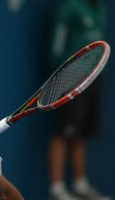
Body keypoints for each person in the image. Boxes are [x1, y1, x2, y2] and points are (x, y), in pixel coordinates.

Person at [47, 0, 111, 200]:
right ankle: (57, 188)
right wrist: (61, 76)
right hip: (71, 78)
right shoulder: (69, 8)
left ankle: (80, 185)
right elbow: (57, 45)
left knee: (80, 131)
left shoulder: (100, 8)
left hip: (95, 77)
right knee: (63, 131)